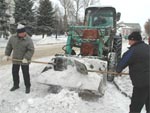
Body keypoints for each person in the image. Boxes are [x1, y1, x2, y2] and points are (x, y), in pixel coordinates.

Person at [116, 31, 150, 113]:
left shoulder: (133, 50)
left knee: (135, 107)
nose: (128, 42)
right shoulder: (148, 47)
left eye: (129, 40)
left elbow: (123, 62)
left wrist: (118, 70)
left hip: (141, 83)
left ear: (133, 40)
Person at [3, 24, 34, 94]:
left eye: (24, 32)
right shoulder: (12, 38)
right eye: (21, 33)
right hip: (16, 59)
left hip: (24, 60)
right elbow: (9, 47)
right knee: (14, 72)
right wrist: (7, 55)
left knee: (25, 73)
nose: (23, 34)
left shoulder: (28, 39)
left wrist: (26, 58)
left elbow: (31, 50)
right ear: (18, 33)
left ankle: (27, 86)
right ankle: (16, 85)